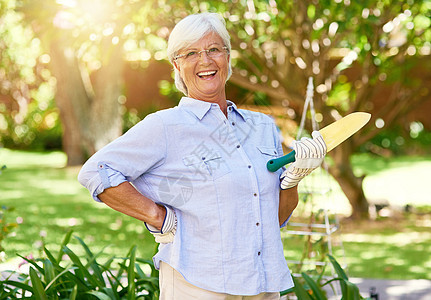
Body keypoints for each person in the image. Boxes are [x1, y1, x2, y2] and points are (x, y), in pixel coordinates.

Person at [78, 12, 326, 299]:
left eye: (214, 50)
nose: (205, 61)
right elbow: (96, 171)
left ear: (228, 57)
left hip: (262, 283)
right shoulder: (165, 126)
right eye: (191, 53)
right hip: (197, 284)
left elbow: (275, 219)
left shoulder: (261, 127)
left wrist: (294, 179)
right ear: (177, 65)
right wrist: (156, 216)